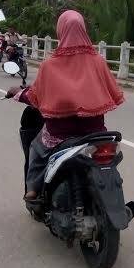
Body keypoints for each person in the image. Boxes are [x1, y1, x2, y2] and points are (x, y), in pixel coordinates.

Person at [8, 11, 124, 201]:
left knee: (36, 150)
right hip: (94, 134)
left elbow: (36, 97)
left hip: (58, 135)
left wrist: (18, 93)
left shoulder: (50, 65)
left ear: (60, 31)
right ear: (84, 30)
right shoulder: (98, 61)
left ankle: (33, 190)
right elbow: (112, 91)